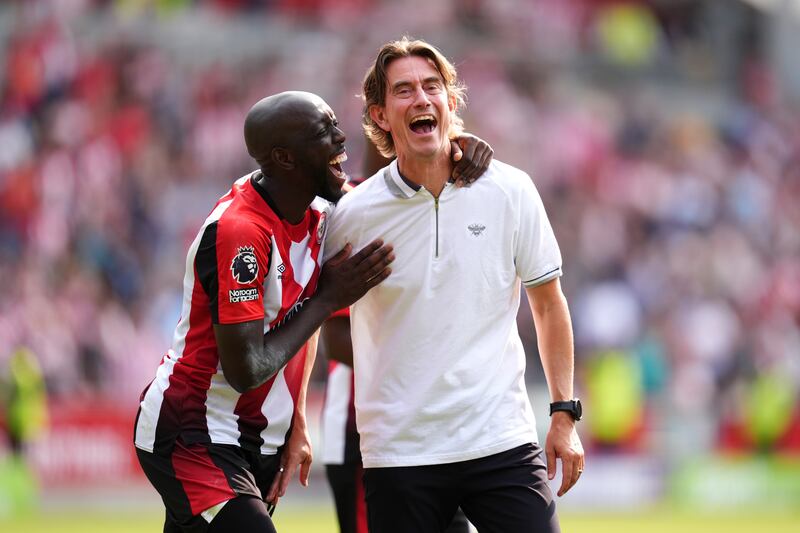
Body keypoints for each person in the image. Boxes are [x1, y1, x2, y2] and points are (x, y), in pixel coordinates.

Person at [323, 37, 585, 533]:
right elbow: (316, 317)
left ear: (451, 102)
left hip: (500, 440)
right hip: (401, 454)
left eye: (432, 86)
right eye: (403, 91)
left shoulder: (511, 190)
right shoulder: (351, 217)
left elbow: (549, 306)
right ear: (380, 115)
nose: (421, 98)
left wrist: (563, 414)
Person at [133, 90, 396, 533]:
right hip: (194, 431)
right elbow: (246, 367)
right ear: (285, 158)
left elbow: (387, 193)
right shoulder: (241, 233)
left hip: (253, 437)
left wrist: (460, 154)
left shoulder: (319, 208)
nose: (340, 136)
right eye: (324, 131)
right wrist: (329, 299)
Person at [320, 138, 483, 533]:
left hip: (438, 425)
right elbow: (337, 340)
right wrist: (427, 363)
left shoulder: (446, 201)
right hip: (365, 434)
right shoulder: (354, 210)